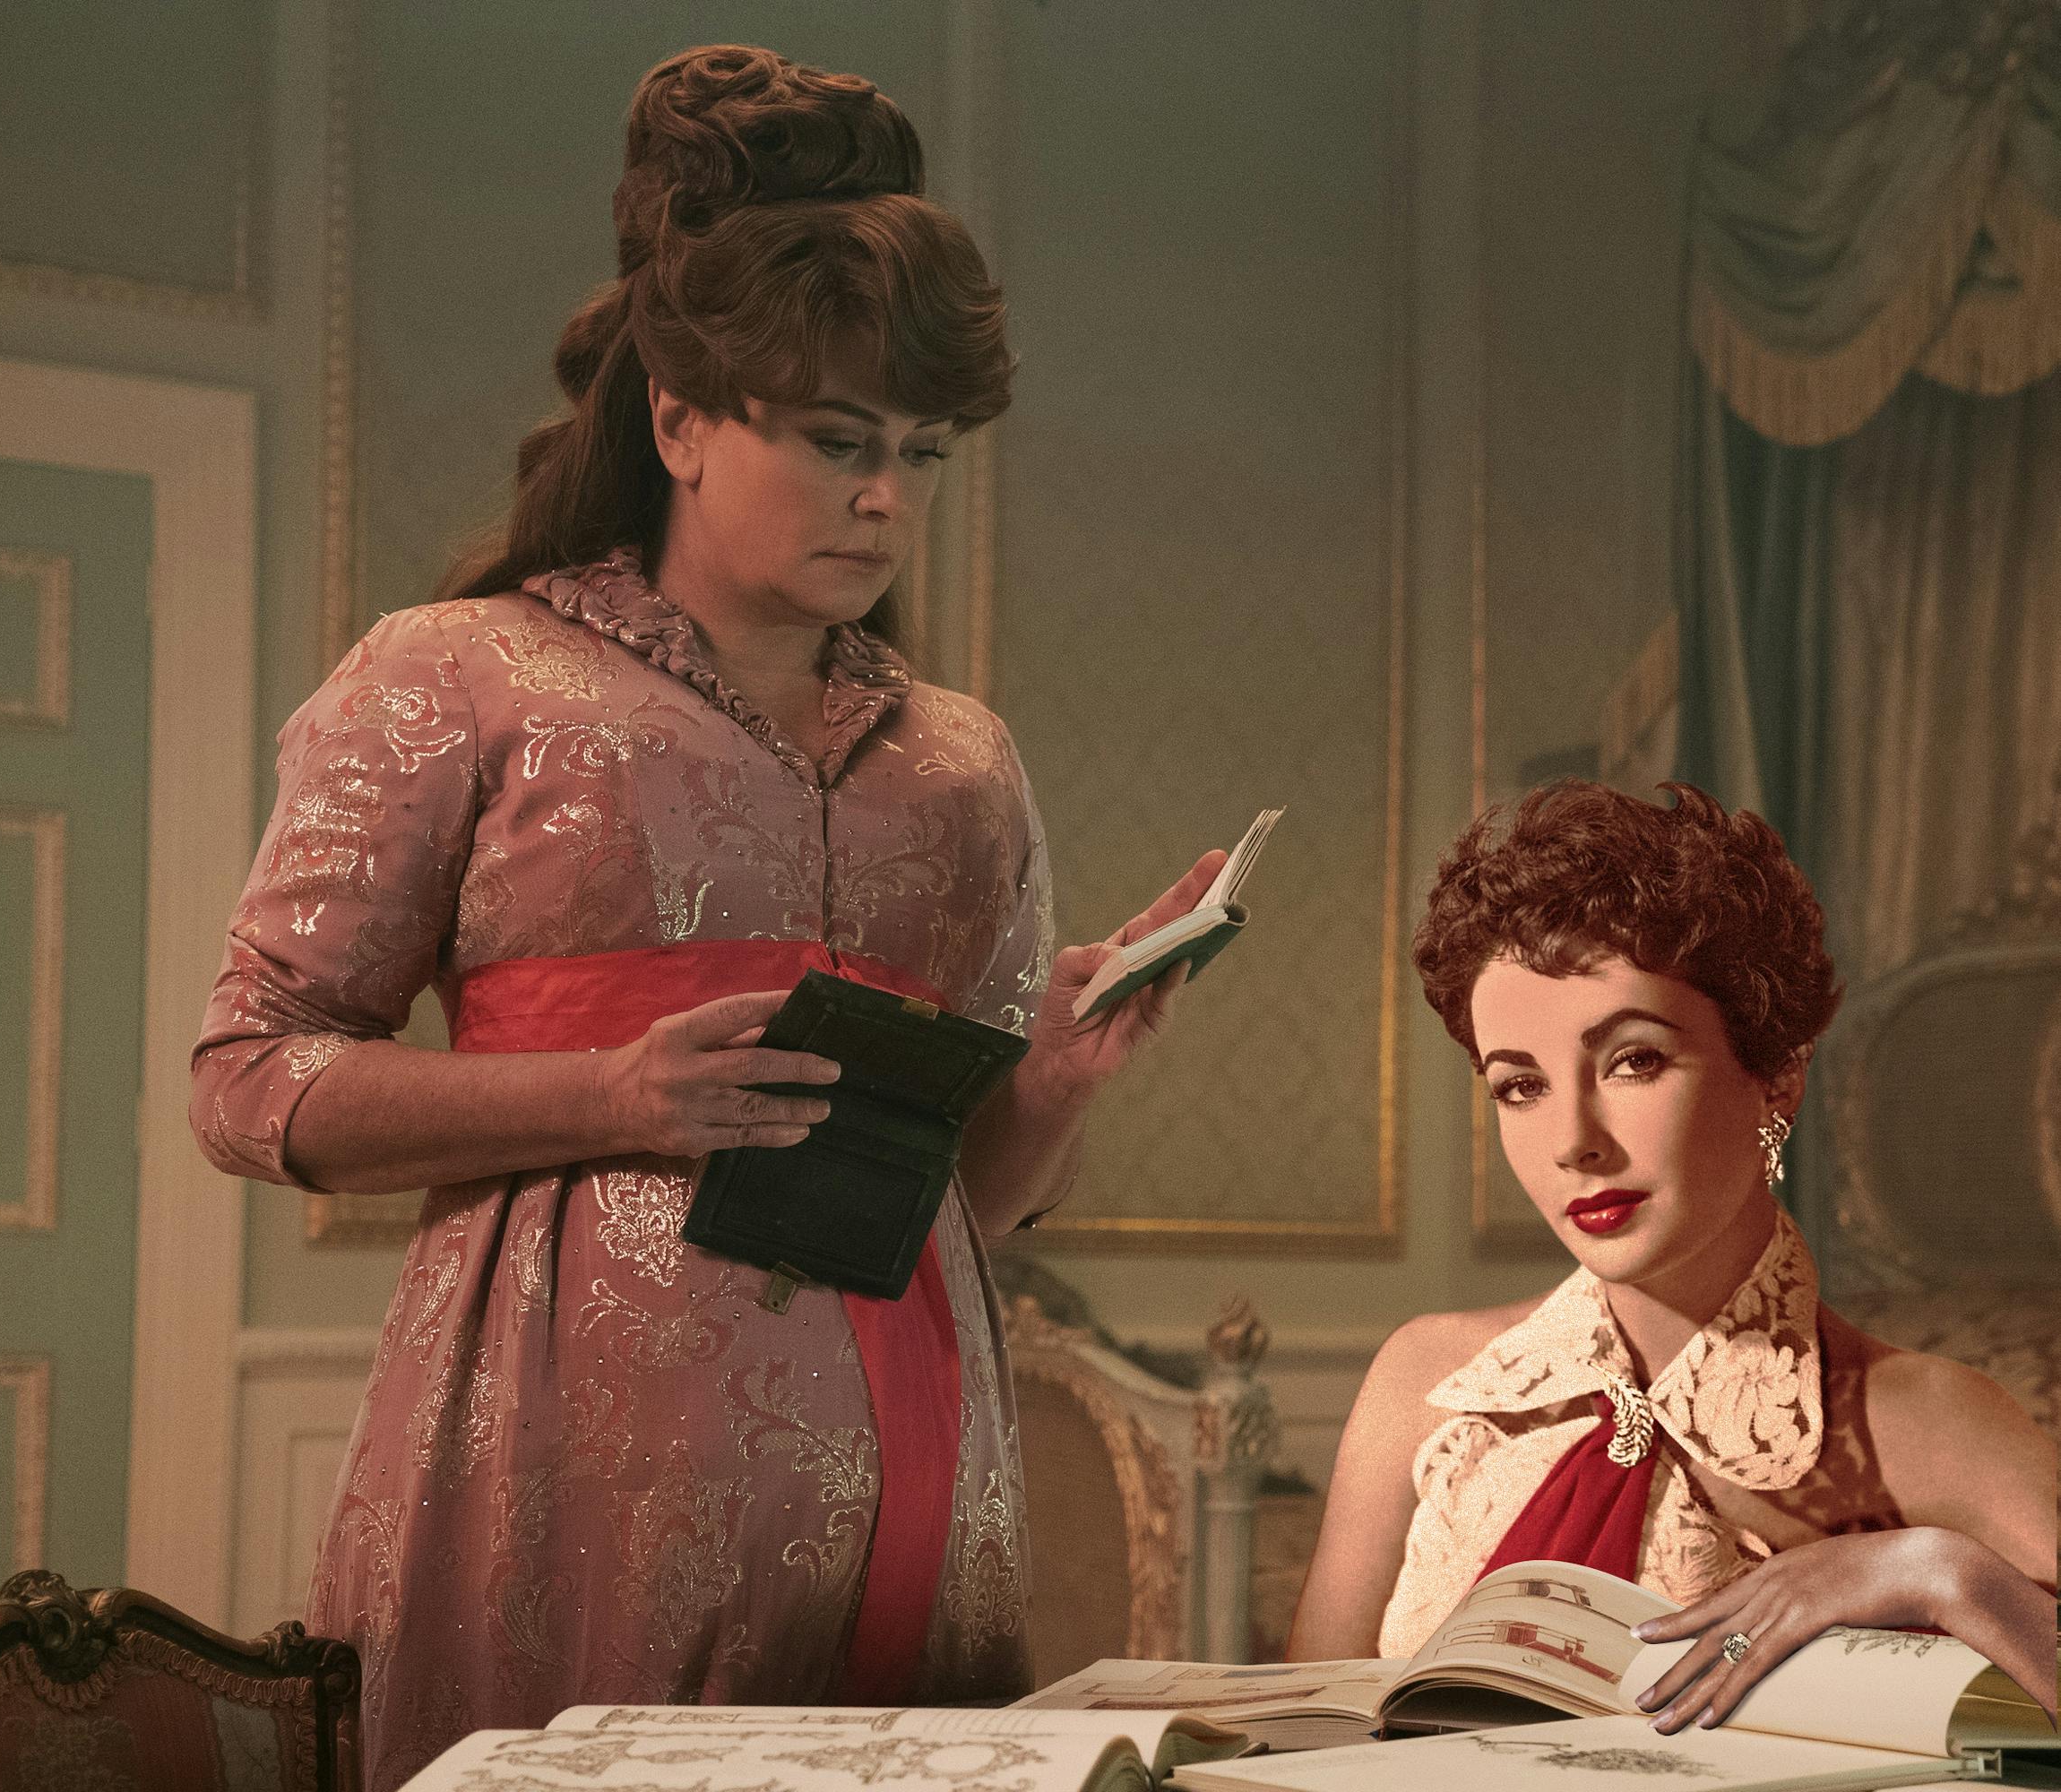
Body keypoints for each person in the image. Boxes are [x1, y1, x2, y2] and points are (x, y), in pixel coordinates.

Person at [189, 44, 1217, 1789]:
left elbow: (956, 1204)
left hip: (923, 1486)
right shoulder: (462, 679)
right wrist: (610, 1099)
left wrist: (1053, 1086)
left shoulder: (960, 764)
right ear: (677, 418)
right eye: (836, 442)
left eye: (922, 451)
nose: (886, 495)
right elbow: (244, 1079)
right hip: (564, 1494)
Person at [1285, 780, 2057, 1729]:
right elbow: (1295, 1738)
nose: (1572, 1137)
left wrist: (1935, 1570)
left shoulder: (1930, 1418)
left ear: (1773, 1071)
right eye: (1518, 1084)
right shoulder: (1429, 1384)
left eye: (1633, 1060)